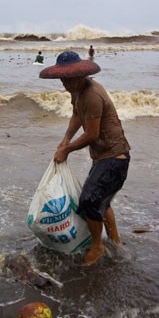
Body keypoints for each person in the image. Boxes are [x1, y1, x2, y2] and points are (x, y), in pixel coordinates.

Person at [39, 51, 131, 266]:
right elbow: (77, 114)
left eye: (68, 79)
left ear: (80, 75)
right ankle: (116, 242)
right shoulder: (78, 90)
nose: (65, 84)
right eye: (62, 79)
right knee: (101, 200)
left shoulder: (91, 94)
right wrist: (66, 138)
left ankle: (98, 246)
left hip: (114, 157)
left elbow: (92, 134)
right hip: (104, 156)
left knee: (89, 201)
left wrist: (67, 150)